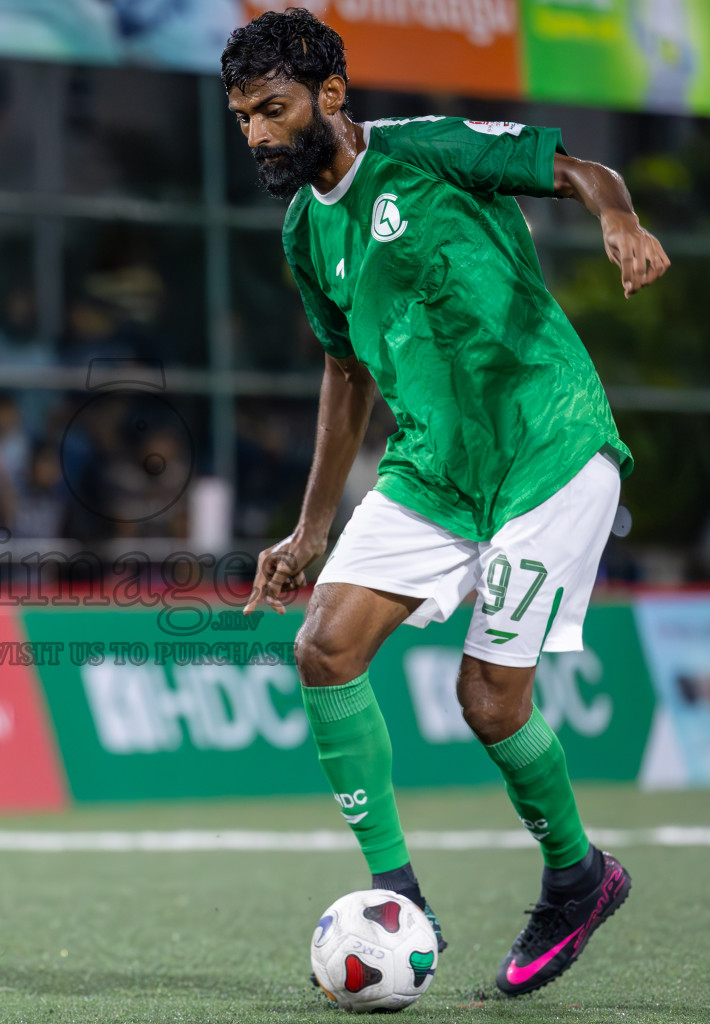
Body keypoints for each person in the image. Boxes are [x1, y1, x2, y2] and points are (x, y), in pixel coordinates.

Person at [225, 10, 670, 999]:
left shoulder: (425, 150)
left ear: (328, 97)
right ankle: (400, 896)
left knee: (487, 698)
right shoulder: (305, 228)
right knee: (323, 646)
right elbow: (344, 373)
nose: (256, 134)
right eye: (243, 117)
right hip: (431, 467)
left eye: (272, 109)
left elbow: (576, 170)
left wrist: (619, 219)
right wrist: (312, 525)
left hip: (547, 447)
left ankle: (579, 876)